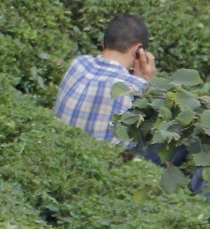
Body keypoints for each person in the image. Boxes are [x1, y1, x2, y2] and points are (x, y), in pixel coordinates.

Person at [54, 13, 156, 144]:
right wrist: (148, 83)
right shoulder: (136, 87)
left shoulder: (78, 63)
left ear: (104, 42)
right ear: (138, 50)